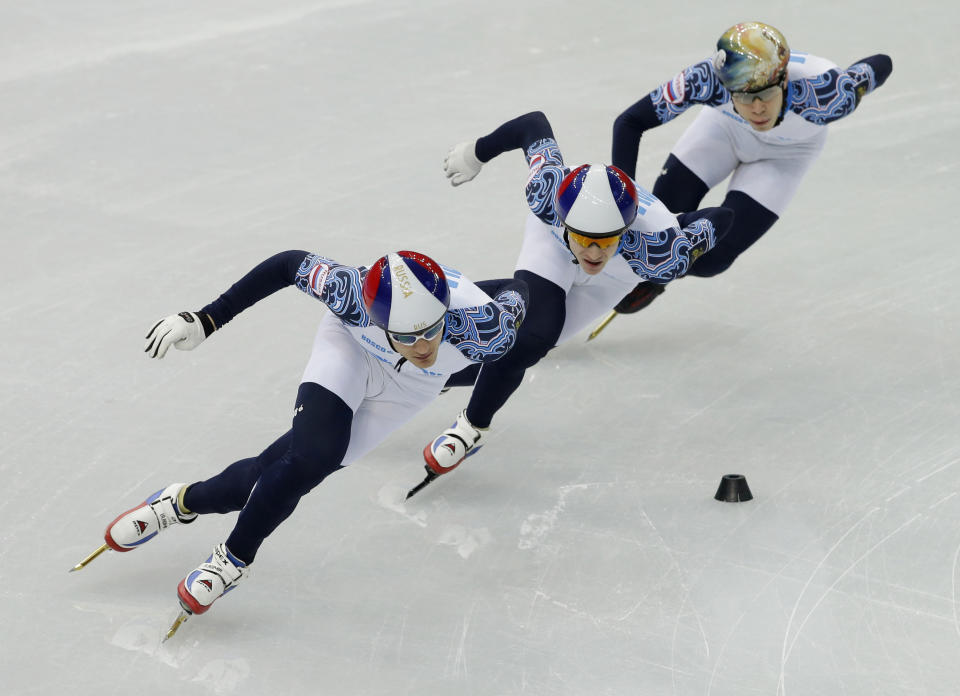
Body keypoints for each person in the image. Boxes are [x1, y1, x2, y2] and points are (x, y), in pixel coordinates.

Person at [72, 249, 527, 633]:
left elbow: (519, 291)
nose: (423, 343)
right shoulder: (349, 293)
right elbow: (288, 265)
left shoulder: (486, 328)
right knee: (312, 456)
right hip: (351, 350)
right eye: (408, 335)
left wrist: (509, 309)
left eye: (432, 329)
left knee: (274, 472)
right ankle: (230, 561)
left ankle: (179, 503)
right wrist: (207, 319)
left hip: (410, 389)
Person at [421, 110, 733, 476]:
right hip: (553, 245)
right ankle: (469, 429)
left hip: (620, 272)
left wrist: (681, 241)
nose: (594, 252)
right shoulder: (546, 193)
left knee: (520, 352)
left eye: (606, 240)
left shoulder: (659, 251)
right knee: (532, 336)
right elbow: (533, 124)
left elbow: (723, 216)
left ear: (625, 229)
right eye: (586, 239)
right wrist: (477, 151)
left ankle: (440, 374)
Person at [597, 21, 893, 327]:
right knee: (660, 217)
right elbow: (629, 122)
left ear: (785, 79)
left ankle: (659, 274)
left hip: (787, 155)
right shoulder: (706, 80)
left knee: (713, 259)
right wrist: (625, 204)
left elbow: (883, 62)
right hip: (724, 132)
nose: (757, 109)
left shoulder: (826, 93)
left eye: (765, 94)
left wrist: (855, 78)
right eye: (743, 96)